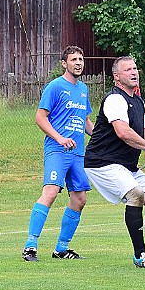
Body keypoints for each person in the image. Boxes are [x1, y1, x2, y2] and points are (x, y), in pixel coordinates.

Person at [84, 56, 145, 269]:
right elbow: (123, 132)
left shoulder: (138, 101)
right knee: (135, 193)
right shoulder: (115, 99)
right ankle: (140, 255)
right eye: (128, 69)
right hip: (102, 161)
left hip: (125, 163)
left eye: (135, 68)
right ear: (116, 76)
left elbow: (144, 132)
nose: (134, 72)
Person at [22, 46, 94, 261]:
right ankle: (30, 246)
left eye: (81, 59)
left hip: (78, 153)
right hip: (57, 150)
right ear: (64, 63)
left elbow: (86, 121)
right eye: (73, 59)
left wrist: (103, 139)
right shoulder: (55, 86)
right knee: (51, 192)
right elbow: (40, 117)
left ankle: (61, 249)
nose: (78, 63)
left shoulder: (83, 89)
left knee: (80, 199)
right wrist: (60, 138)